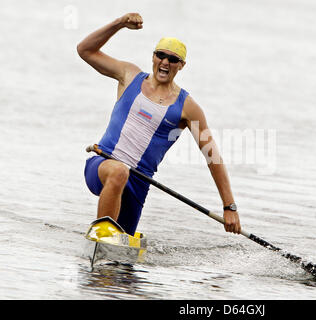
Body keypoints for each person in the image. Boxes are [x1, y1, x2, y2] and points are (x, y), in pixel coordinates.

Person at [77, 13, 241, 236]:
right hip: (103, 163)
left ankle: (112, 242)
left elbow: (212, 156)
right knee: (118, 171)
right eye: (160, 55)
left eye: (173, 59)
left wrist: (229, 207)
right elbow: (85, 50)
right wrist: (119, 24)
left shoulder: (188, 108)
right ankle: (101, 235)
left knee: (123, 265)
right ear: (153, 57)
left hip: (138, 183)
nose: (165, 62)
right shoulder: (129, 75)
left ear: (181, 65)